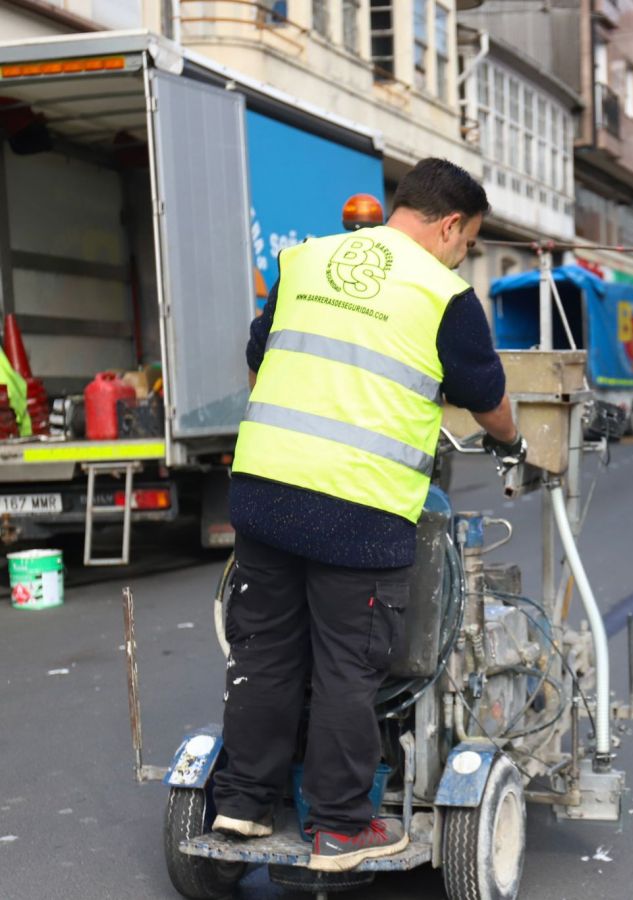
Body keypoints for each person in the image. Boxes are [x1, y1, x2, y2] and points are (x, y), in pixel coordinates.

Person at [212, 158, 526, 873]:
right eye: (468, 242)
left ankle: (244, 803)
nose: (463, 255)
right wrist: (513, 443)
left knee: (263, 653)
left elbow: (261, 358)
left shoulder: (305, 260)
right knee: (349, 668)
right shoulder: (444, 296)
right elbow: (486, 399)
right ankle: (341, 826)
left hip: (264, 489)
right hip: (358, 507)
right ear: (450, 226)